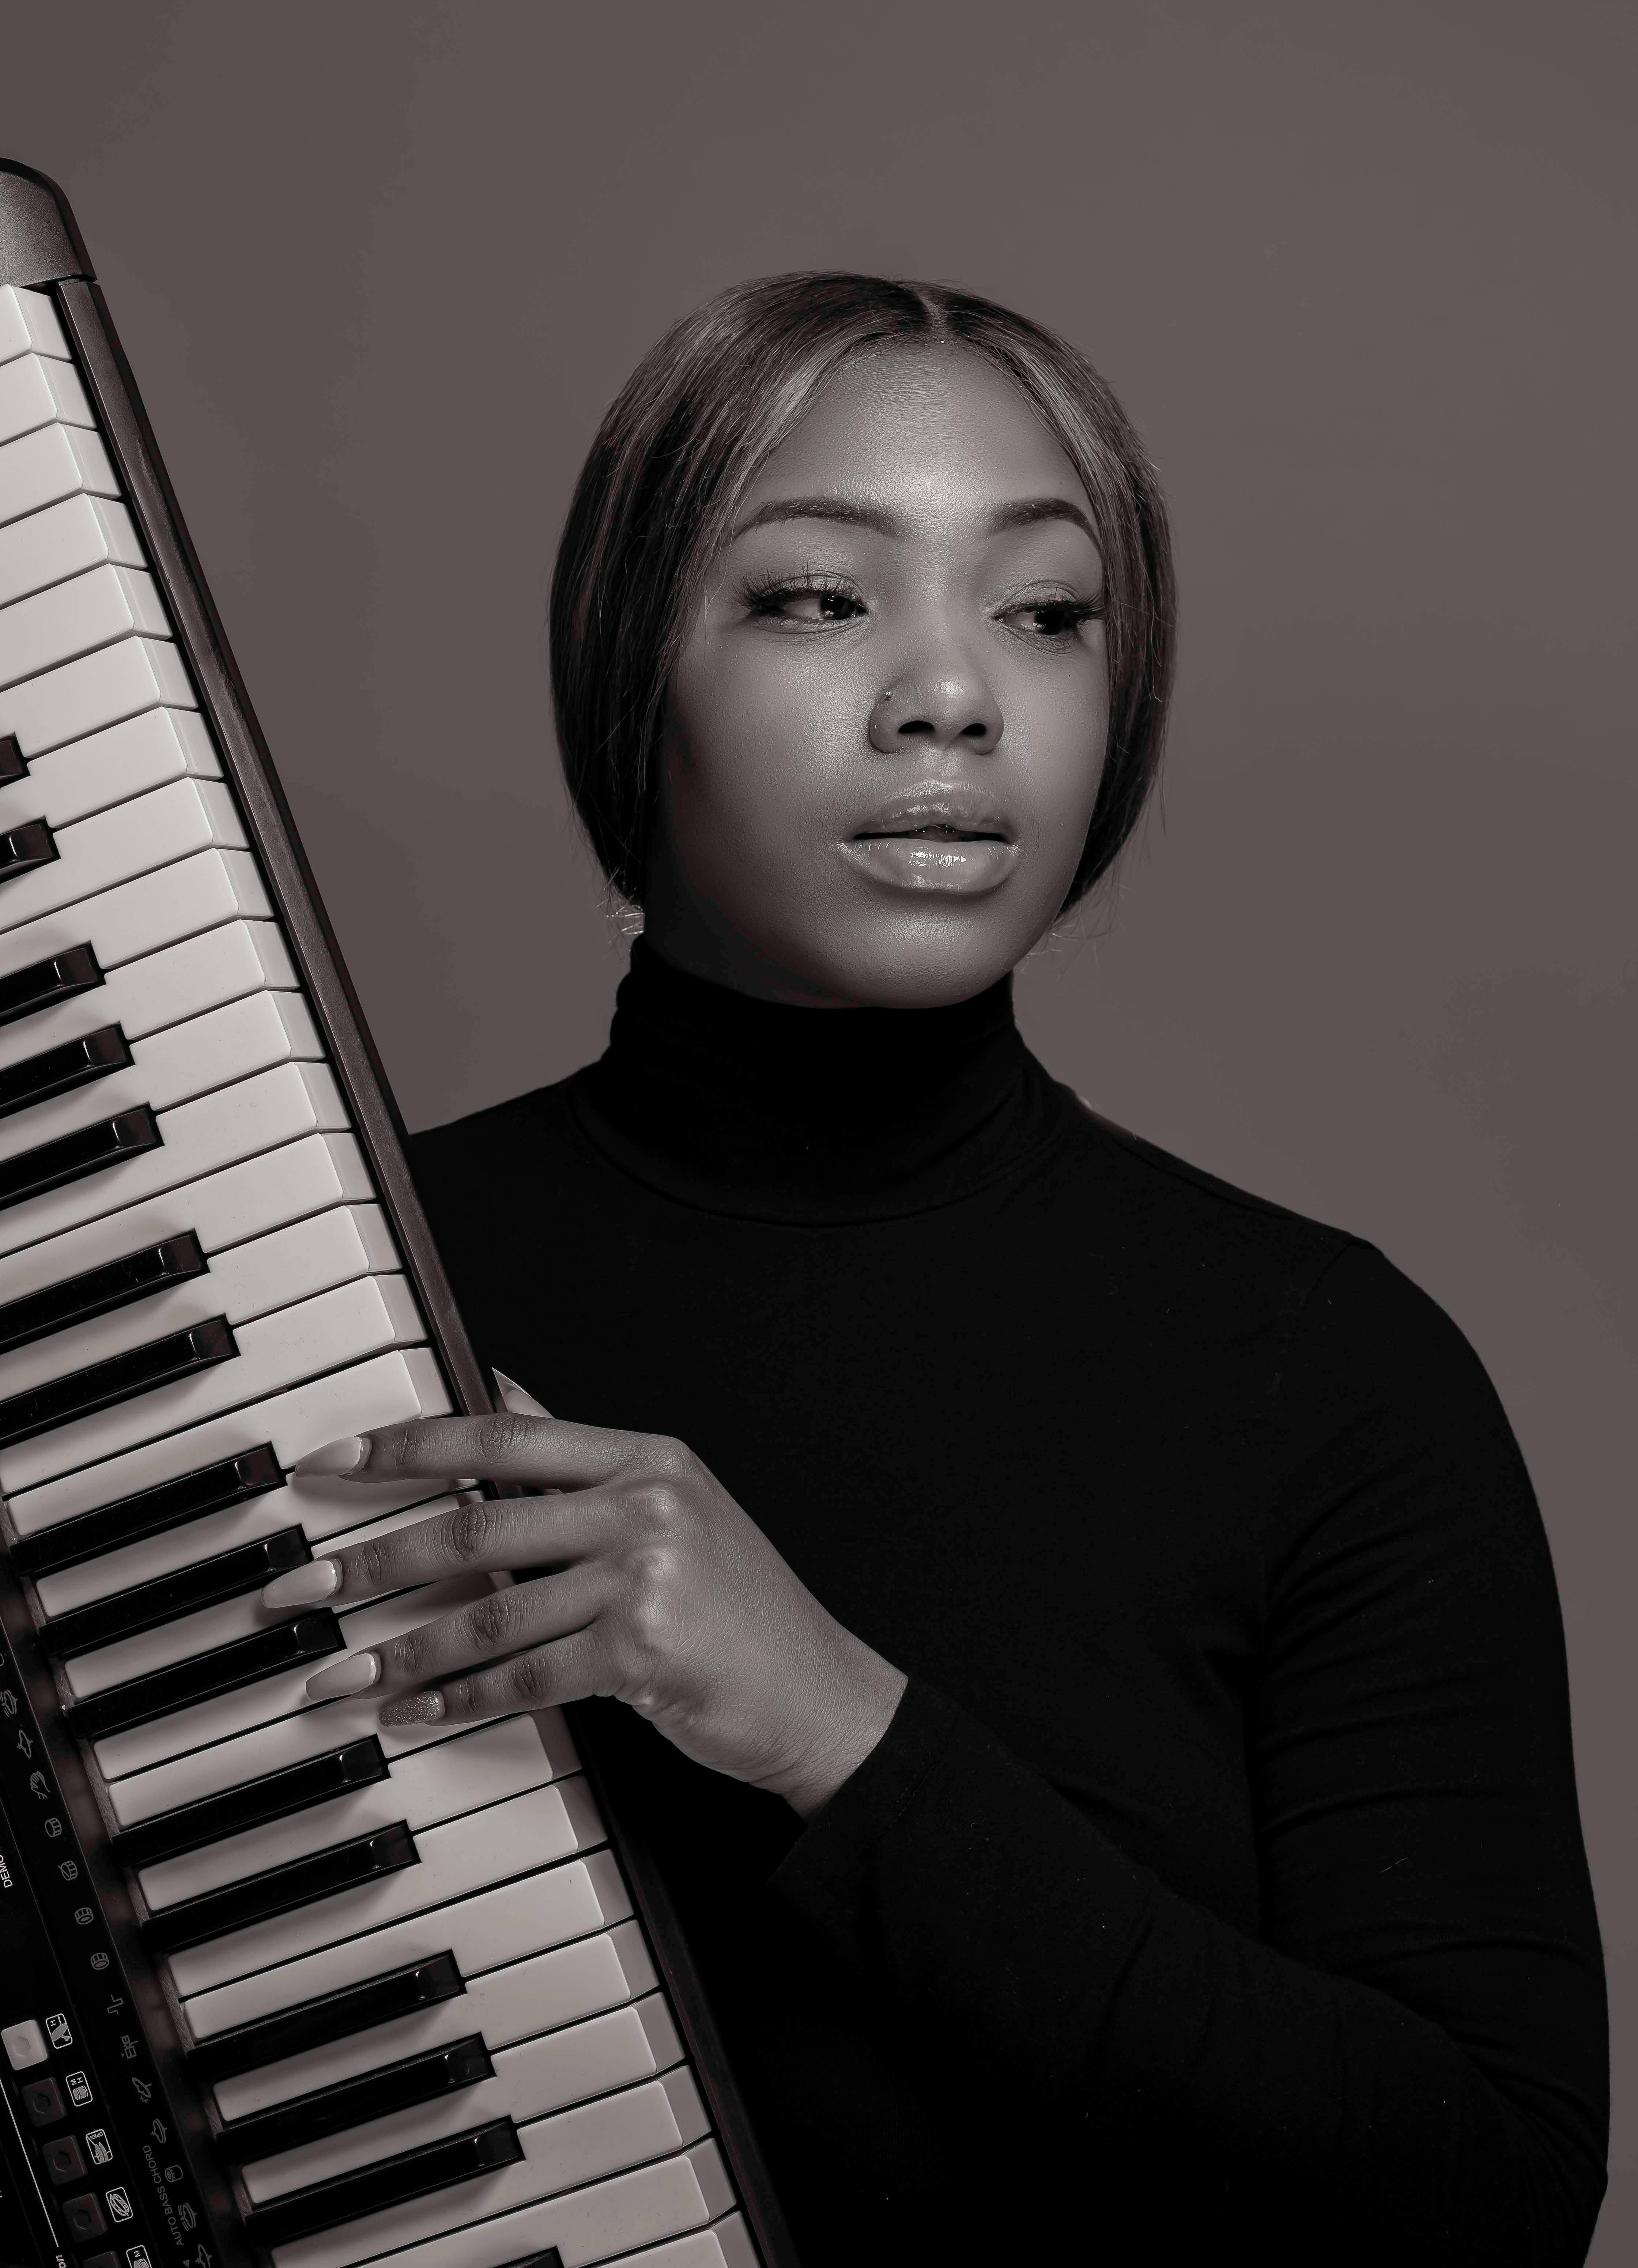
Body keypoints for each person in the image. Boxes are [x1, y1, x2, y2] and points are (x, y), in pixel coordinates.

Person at [274, 276, 1608, 2262]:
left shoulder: (1333, 1376)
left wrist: (829, 1725)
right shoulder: (328, 1296)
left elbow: (1486, 2201)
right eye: (820, 597)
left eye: (1047, 610)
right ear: (633, 659)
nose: (955, 692)